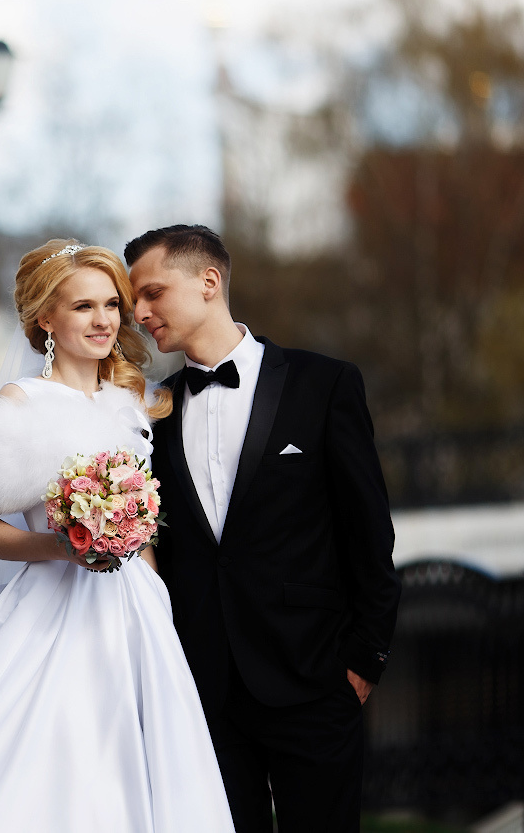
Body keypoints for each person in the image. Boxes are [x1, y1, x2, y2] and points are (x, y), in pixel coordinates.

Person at [0, 240, 235, 833]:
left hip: (138, 609)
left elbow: (144, 528)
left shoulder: (133, 400)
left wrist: (155, 595)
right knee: (56, 755)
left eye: (111, 304)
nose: (104, 320)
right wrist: (63, 546)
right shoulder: (19, 402)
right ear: (46, 318)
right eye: (83, 306)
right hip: (54, 608)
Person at [125, 225, 401, 833]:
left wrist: (365, 659)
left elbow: (369, 531)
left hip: (315, 680)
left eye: (152, 293)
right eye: (133, 300)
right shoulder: (146, 414)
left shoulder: (323, 384)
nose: (139, 313)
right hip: (204, 694)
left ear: (208, 281)